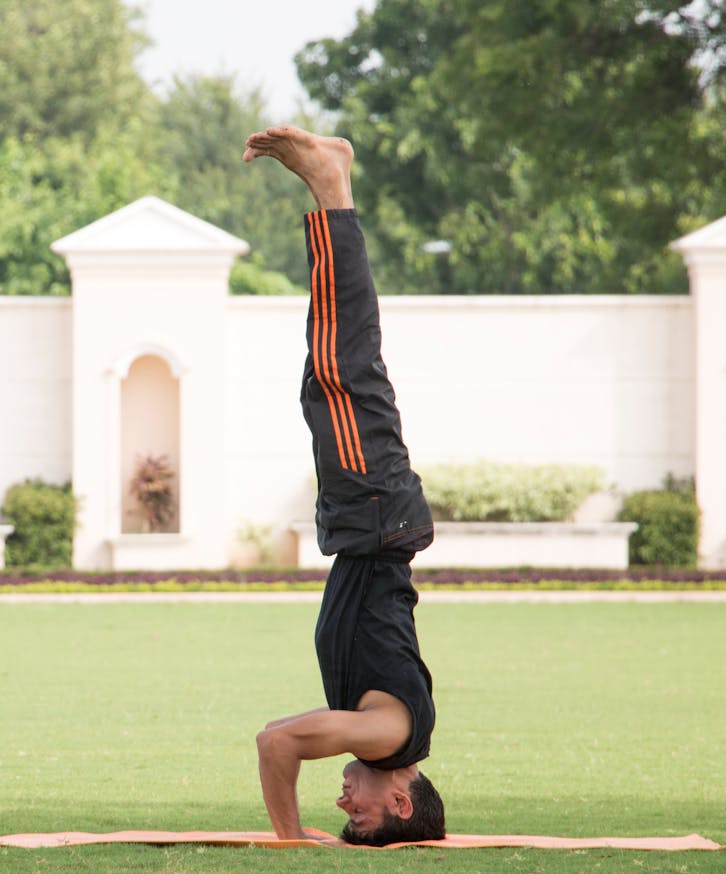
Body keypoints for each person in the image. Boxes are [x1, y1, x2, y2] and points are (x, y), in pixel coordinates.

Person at [242, 126, 445, 847]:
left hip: (368, 524)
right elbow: (276, 744)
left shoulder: (384, 730)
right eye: (359, 815)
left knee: (327, 371)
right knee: (341, 361)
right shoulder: (391, 732)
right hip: (375, 512)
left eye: (339, 818)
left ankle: (335, 187)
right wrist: (291, 839)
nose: (344, 805)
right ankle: (332, 185)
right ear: (400, 804)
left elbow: (277, 736)